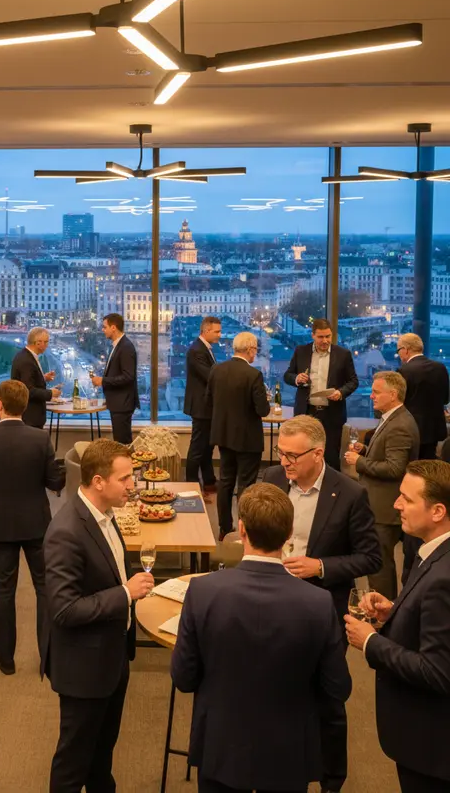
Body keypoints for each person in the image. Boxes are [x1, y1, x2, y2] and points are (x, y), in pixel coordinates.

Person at [172, 483, 352, 793]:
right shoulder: (318, 603)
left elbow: (184, 678)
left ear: (241, 530)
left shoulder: (202, 592)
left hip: (220, 747)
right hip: (289, 753)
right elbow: (338, 687)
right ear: (289, 533)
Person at [260, 415, 381, 792]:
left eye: (292, 456)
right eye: (280, 453)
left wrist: (322, 566)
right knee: (273, 690)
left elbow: (370, 557)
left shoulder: (348, 493)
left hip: (322, 610)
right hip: (269, 604)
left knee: (326, 697)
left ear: (318, 453)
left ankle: (331, 778)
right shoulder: (271, 480)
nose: (284, 462)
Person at [42, 439, 154, 792]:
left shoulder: (104, 516)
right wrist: (125, 593)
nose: (132, 485)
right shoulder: (66, 532)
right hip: (83, 668)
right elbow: (63, 609)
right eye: (125, 479)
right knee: (74, 763)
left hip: (111, 656)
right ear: (98, 482)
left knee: (101, 756)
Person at [345, 460, 450, 793]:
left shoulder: (443, 577)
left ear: (437, 511)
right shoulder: (432, 553)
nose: (395, 505)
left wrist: (371, 642)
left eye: (406, 498)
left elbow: (438, 671)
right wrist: (396, 613)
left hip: (432, 748)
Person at [0, 380, 65, 675]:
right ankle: (48, 659)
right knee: (44, 588)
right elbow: (54, 482)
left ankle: (6, 658)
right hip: (37, 522)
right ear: (24, 406)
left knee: (4, 590)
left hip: (0, 524)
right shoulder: (40, 439)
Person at [345, 371, 419, 600]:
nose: (371, 397)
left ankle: (381, 614)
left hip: (385, 508)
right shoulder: (392, 418)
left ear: (393, 394)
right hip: (381, 504)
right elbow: (389, 457)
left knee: (380, 564)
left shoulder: (400, 425)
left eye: (376, 392)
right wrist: (366, 451)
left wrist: (360, 462)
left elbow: (396, 469)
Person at [206, 332, 270, 539]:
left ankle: (225, 528)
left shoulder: (216, 370)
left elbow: (208, 402)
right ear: (250, 349)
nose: (255, 354)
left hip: (223, 436)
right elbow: (263, 411)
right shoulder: (253, 375)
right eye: (255, 350)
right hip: (247, 440)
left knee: (225, 482)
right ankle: (245, 530)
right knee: (246, 485)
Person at [284, 319, 358, 470]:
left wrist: (341, 392)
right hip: (306, 412)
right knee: (304, 453)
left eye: (328, 336)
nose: (325, 341)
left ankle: (330, 491)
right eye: (321, 337)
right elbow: (287, 375)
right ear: (312, 335)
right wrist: (297, 378)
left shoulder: (343, 354)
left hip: (332, 413)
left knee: (330, 457)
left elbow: (353, 381)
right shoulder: (301, 351)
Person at [183, 316, 221, 496]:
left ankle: (209, 482)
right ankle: (191, 484)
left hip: (206, 406)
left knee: (207, 447)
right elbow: (209, 376)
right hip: (201, 406)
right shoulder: (196, 350)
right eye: (217, 331)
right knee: (198, 448)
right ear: (206, 331)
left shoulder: (204, 348)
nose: (220, 335)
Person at [397, 333, 449, 461]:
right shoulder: (440, 368)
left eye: (398, 350)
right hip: (434, 429)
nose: (398, 354)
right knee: (428, 467)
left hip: (411, 430)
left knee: (413, 468)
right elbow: (446, 399)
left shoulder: (404, 371)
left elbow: (398, 402)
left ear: (405, 349)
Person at [91, 313, 139, 445]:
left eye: (104, 327)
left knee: (122, 444)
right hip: (118, 403)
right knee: (121, 442)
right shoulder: (118, 345)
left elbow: (128, 377)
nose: (102, 330)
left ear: (114, 327)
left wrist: (103, 381)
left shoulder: (126, 347)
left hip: (122, 404)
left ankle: (127, 466)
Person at [10, 327, 60, 429]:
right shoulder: (27, 361)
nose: (47, 345)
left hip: (30, 417)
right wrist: (50, 393)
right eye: (46, 342)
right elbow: (28, 390)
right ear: (38, 343)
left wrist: (43, 378)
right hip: (30, 417)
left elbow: (27, 381)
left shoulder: (25, 356)